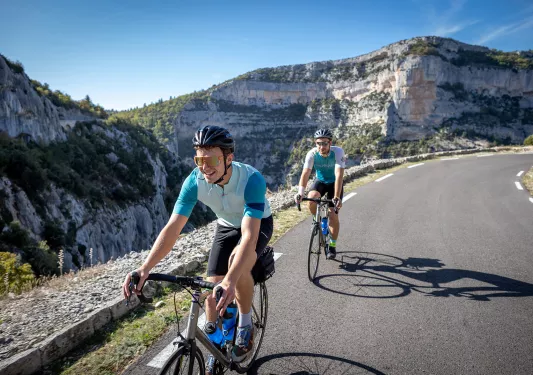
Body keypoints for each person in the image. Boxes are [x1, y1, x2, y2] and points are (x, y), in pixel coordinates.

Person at [122, 125, 273, 372]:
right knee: (212, 286)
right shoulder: (194, 181)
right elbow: (173, 228)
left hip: (256, 224)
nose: (204, 166)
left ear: (229, 158)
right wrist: (145, 268)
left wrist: (231, 281)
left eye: (211, 159)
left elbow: (248, 236)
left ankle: (245, 326)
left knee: (238, 263)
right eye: (199, 159)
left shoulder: (251, 179)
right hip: (225, 225)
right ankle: (217, 345)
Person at [294, 128, 345, 259]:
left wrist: (336, 197)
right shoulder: (312, 154)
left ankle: (332, 246)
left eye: (324, 143)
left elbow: (339, 174)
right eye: (318, 143)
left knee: (333, 215)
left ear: (330, 143)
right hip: (320, 181)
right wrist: (300, 193)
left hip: (334, 183)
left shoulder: (338, 152)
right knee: (311, 199)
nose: (321, 146)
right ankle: (318, 218)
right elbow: (305, 173)